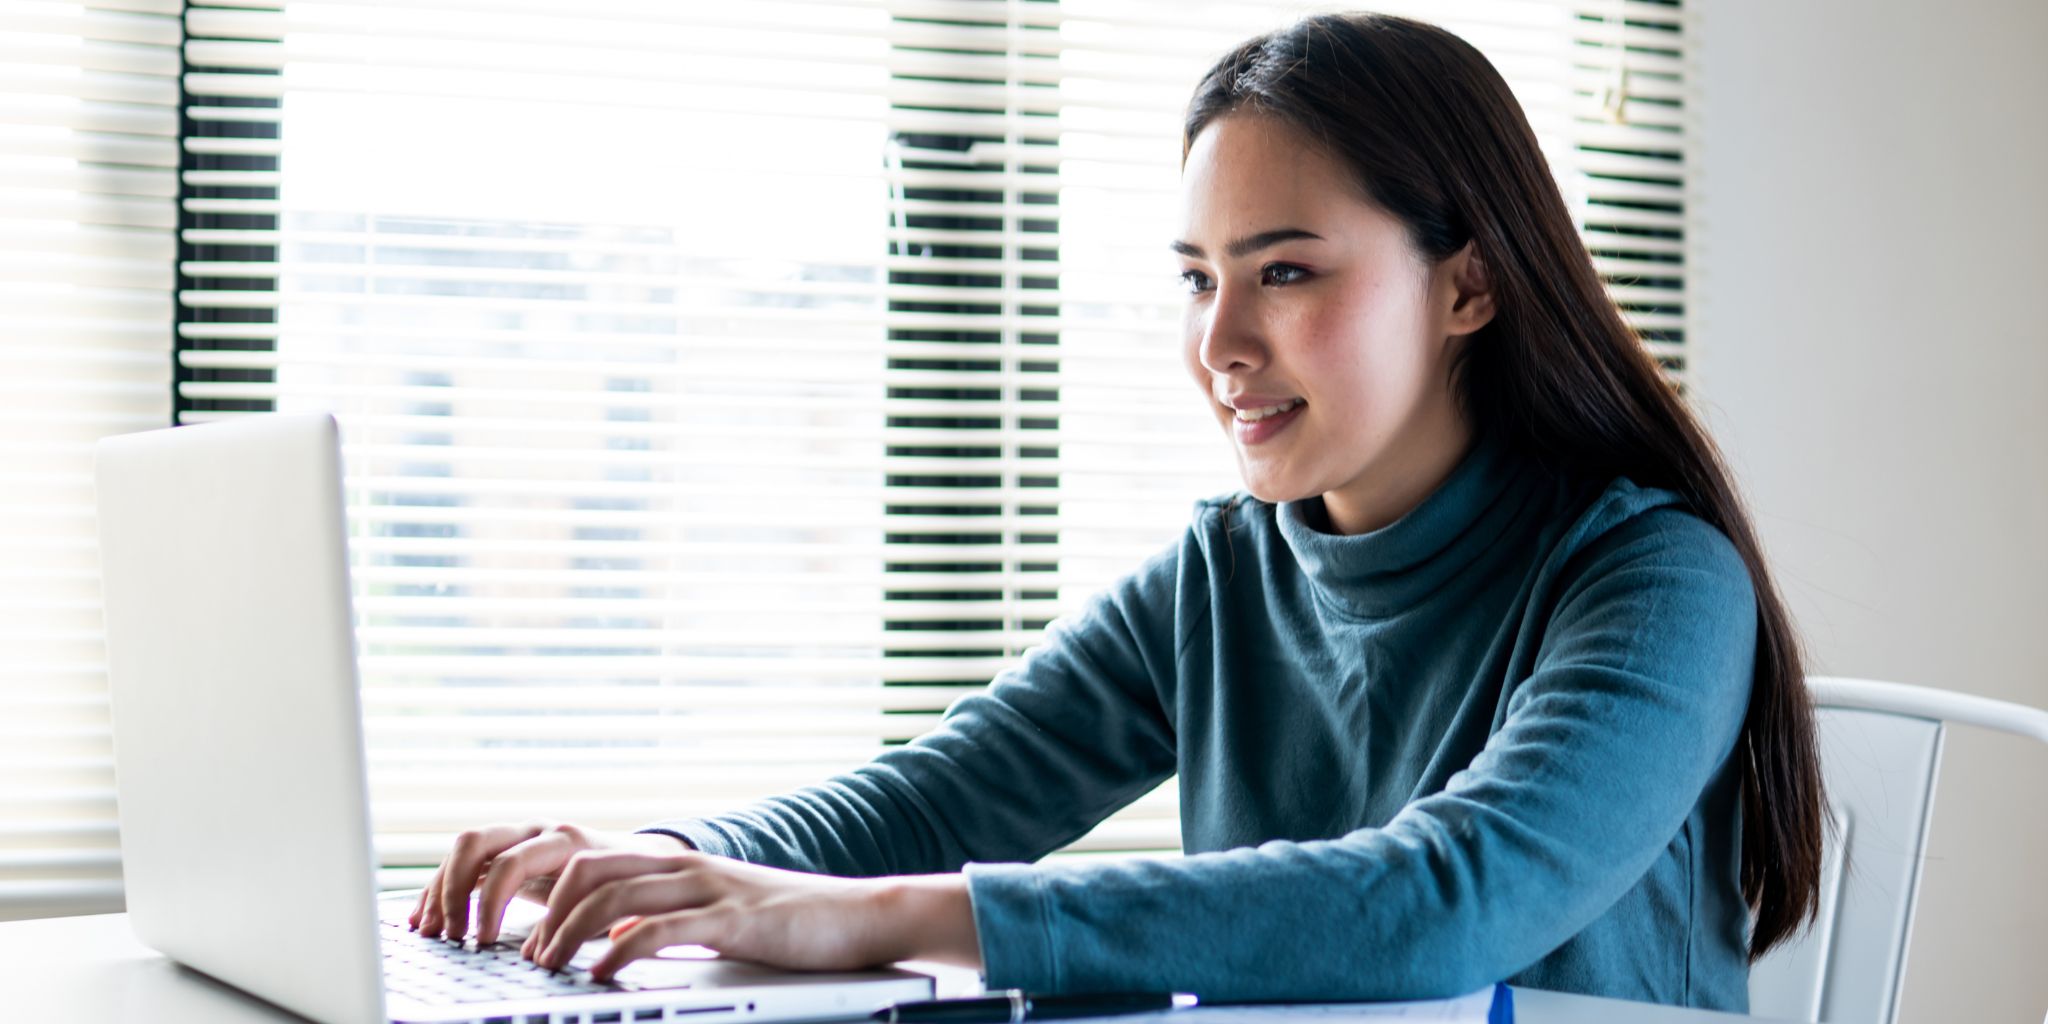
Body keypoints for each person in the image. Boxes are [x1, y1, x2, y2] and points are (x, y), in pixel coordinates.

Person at [407, 12, 1825, 1012]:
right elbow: (947, 792)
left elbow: (1449, 901)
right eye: (1199, 279)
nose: (1219, 347)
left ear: (1468, 285)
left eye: (1285, 273)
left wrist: (890, 919)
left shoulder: (1653, 582)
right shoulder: (1227, 575)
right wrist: (664, 863)